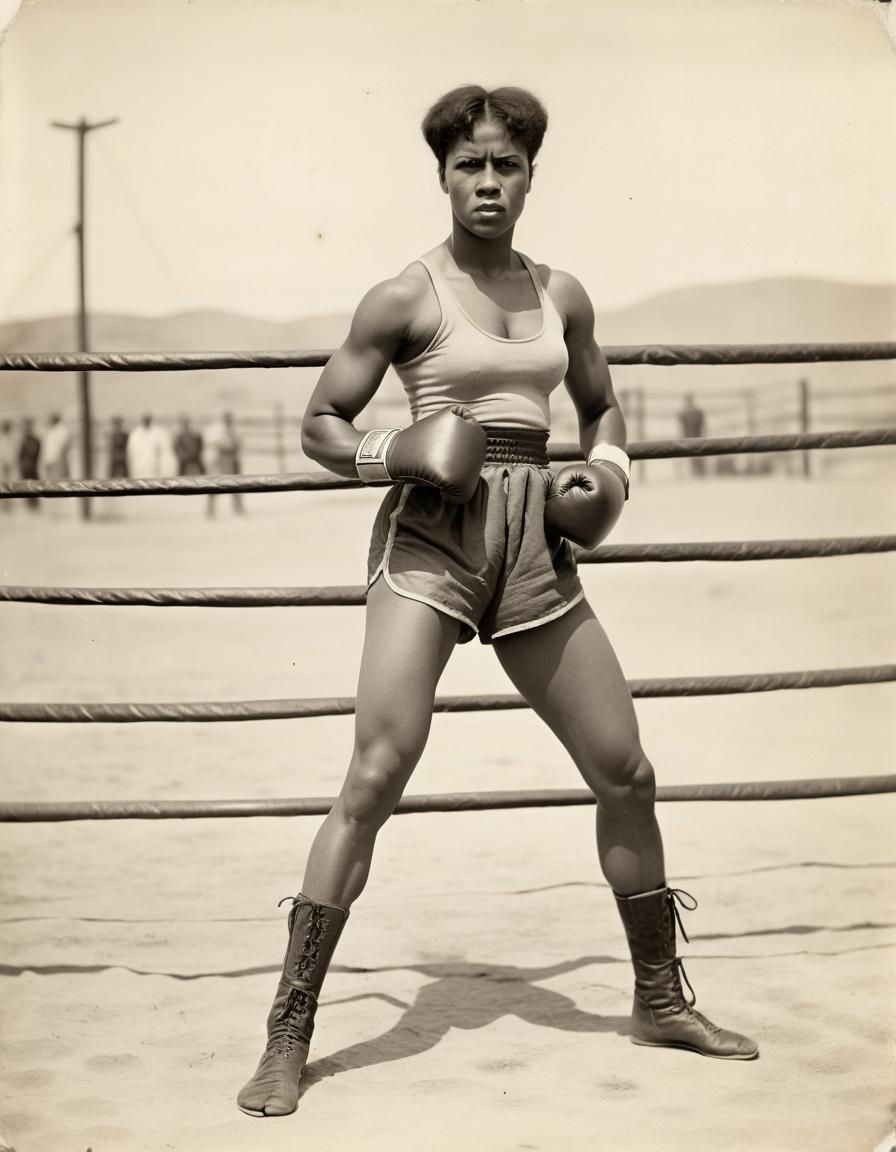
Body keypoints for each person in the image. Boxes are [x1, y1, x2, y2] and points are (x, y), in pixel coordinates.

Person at [237, 85, 757, 1120]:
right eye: (468, 165)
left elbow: (602, 405)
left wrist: (606, 475)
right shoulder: (405, 295)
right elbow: (319, 424)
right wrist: (400, 447)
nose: (486, 181)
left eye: (504, 165)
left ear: (528, 174)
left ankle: (657, 997)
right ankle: (288, 1031)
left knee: (625, 769)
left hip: (534, 548)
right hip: (431, 540)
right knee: (377, 769)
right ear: (441, 175)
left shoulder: (562, 294)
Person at [205, 410, 245, 516]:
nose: (229, 420)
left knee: (238, 484)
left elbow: (239, 444)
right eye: (227, 418)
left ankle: (238, 508)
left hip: (232, 459)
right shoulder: (218, 430)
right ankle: (210, 510)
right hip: (221, 459)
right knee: (215, 484)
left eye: (230, 418)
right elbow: (214, 443)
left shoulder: (236, 429)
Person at [126, 413, 174, 478]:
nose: (147, 421)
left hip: (154, 470)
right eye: (145, 419)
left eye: (148, 419)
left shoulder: (158, 432)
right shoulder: (135, 434)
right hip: (138, 470)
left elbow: (163, 452)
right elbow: (130, 453)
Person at [677, 393, 706, 477]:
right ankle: (695, 473)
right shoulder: (696, 412)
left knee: (696, 455)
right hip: (693, 436)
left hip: (694, 436)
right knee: (695, 455)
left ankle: (697, 473)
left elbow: (702, 425)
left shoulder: (685, 413)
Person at [17, 417, 41, 512]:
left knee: (33, 486)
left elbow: (36, 453)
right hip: (26, 467)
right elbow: (20, 455)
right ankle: (30, 506)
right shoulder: (24, 440)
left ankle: (33, 506)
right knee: (27, 487)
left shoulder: (34, 440)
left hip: (32, 467)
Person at [41, 412, 72, 481]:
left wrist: (59, 462)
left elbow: (62, 448)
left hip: (57, 461)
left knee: (57, 481)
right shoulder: (53, 431)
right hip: (51, 461)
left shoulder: (61, 430)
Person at [0, 418, 15, 512]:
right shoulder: (3, 439)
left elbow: (11, 453)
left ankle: (8, 506)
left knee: (8, 485)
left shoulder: (10, 439)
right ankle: (4, 506)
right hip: (3, 465)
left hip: (8, 465)